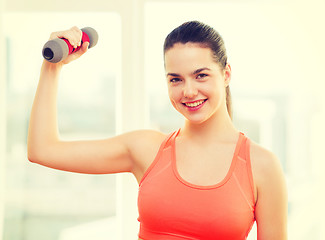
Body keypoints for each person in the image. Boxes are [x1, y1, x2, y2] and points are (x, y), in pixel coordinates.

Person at [27, 21, 287, 240]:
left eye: (201, 75)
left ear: (226, 74)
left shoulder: (261, 166)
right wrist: (52, 66)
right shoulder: (147, 149)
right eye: (176, 79)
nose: (188, 91)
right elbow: (43, 150)